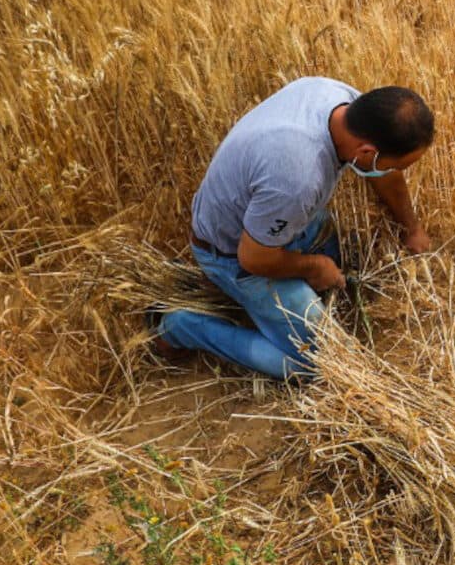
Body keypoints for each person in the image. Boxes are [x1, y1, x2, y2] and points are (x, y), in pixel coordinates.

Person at [150, 79, 435, 380]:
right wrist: (315, 267)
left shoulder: (342, 101)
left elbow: (384, 172)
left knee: (331, 242)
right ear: (366, 152)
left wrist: (412, 229)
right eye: (398, 165)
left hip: (274, 220)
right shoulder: (297, 179)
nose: (395, 172)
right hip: (231, 254)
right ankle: (182, 326)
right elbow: (253, 258)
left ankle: (277, 307)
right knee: (319, 365)